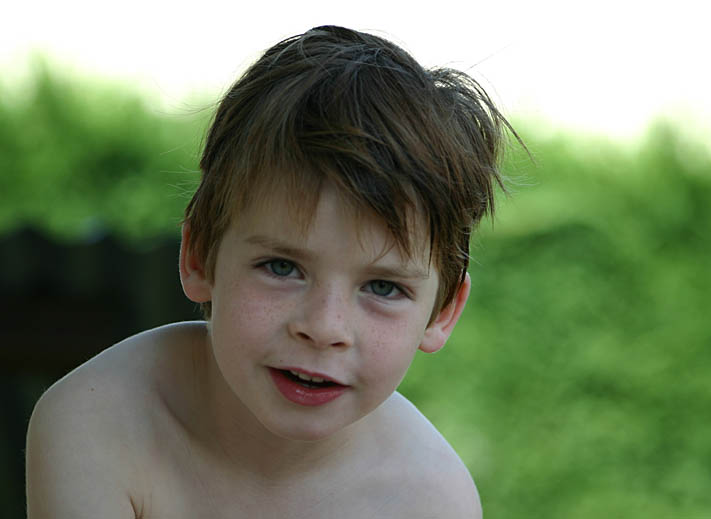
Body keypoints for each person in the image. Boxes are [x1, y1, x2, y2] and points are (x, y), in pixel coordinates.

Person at [26, 25, 526, 518]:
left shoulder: (429, 501)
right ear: (199, 256)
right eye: (282, 267)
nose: (324, 328)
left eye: (382, 287)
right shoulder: (101, 423)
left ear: (442, 312)